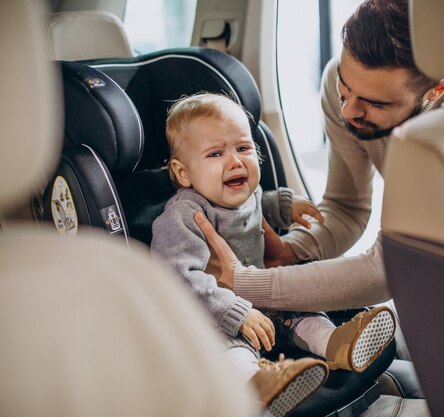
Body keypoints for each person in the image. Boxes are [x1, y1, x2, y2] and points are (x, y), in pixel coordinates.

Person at [151, 93, 397, 416]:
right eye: (215, 153)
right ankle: (262, 384)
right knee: (231, 352)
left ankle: (339, 344)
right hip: (220, 320)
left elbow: (256, 206)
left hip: (268, 306)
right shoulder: (184, 216)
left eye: (243, 148)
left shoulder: (240, 192)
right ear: (184, 173)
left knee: (306, 316)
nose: (235, 161)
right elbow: (178, 279)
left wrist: (283, 205)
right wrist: (235, 312)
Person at [194, 0, 444, 312]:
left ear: (437, 90)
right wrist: (292, 250)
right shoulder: (341, 86)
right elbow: (346, 207)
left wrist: (243, 282)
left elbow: (390, 269)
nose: (348, 111)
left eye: (376, 104)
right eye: (345, 86)